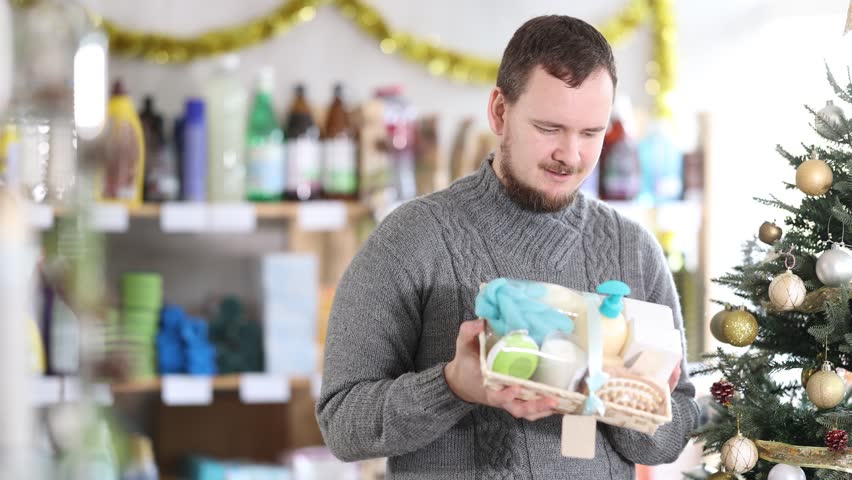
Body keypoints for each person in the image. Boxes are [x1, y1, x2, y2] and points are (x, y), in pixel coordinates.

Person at [316, 14, 698, 479]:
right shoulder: (412, 239)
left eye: (590, 133)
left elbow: (673, 431)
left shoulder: (632, 249)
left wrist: (633, 402)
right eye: (549, 128)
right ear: (499, 111)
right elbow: (342, 424)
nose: (571, 155)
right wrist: (452, 386)